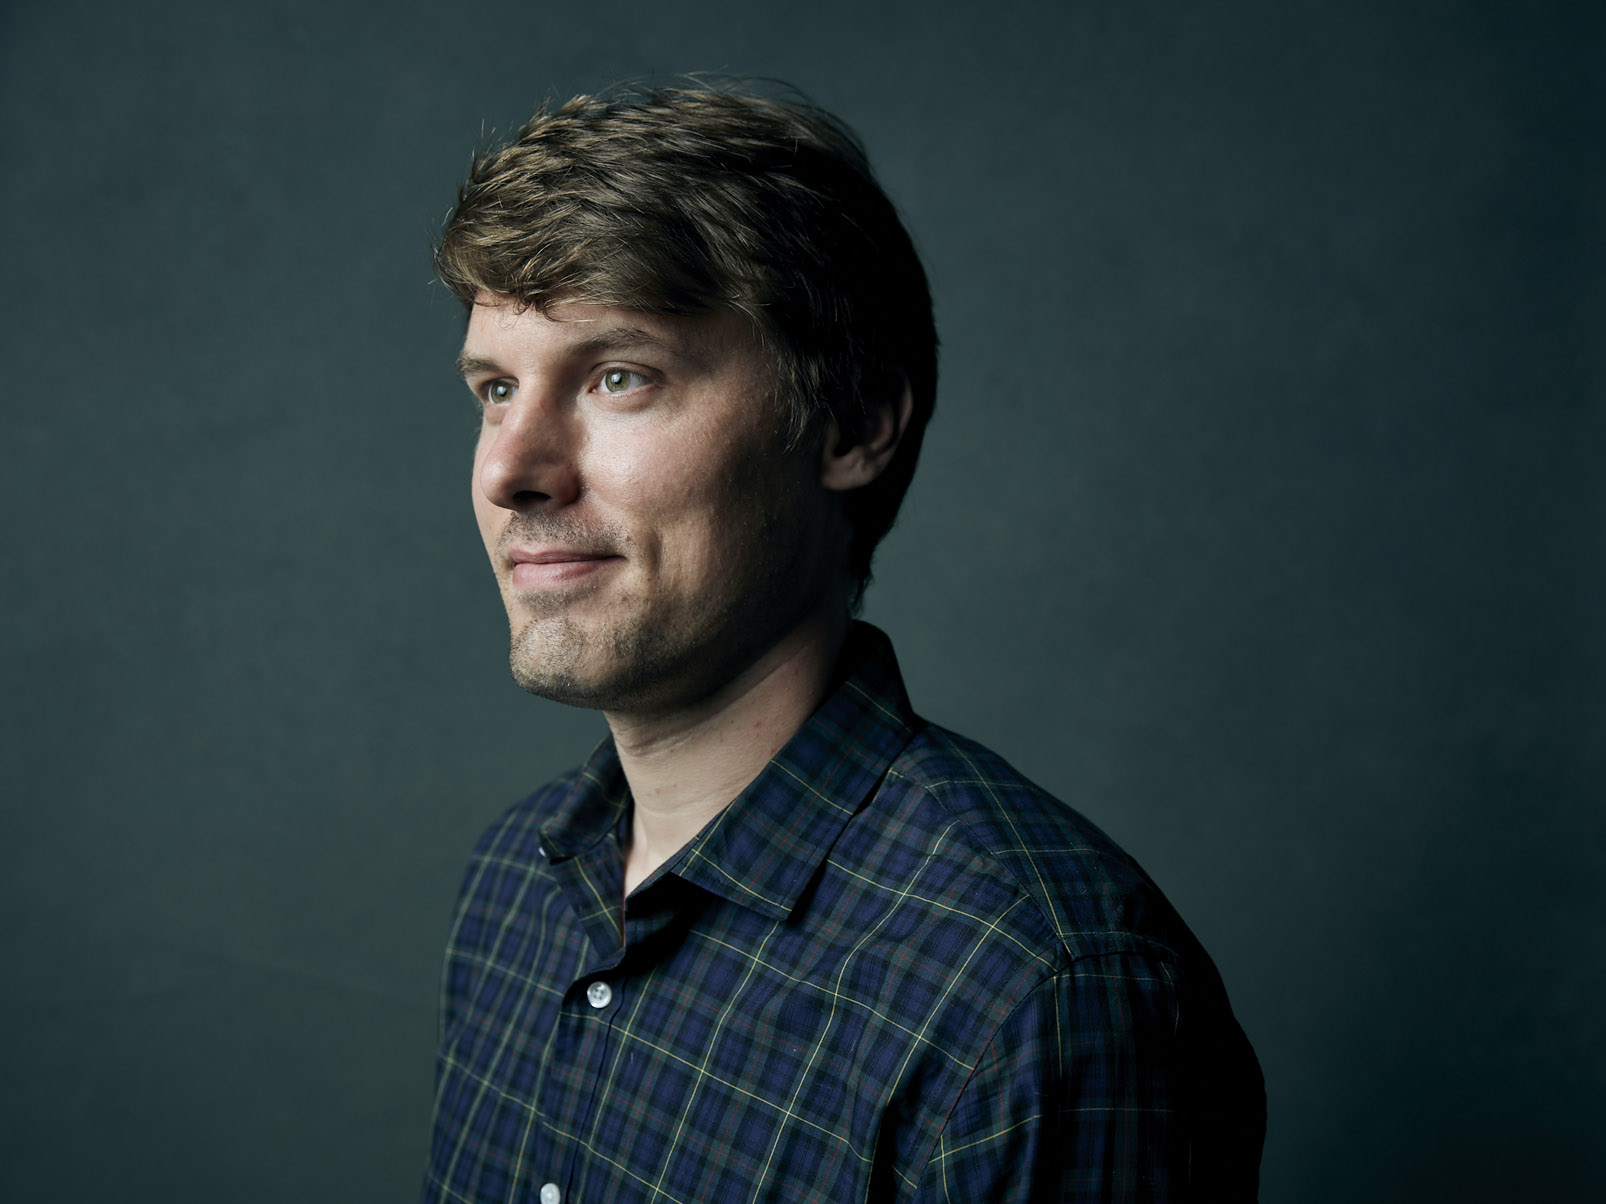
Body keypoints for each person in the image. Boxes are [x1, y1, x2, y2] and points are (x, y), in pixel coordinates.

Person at [421, 82, 1265, 1204]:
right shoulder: (514, 885)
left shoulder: (1035, 992)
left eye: (619, 375)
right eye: (495, 388)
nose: (508, 470)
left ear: (856, 422)